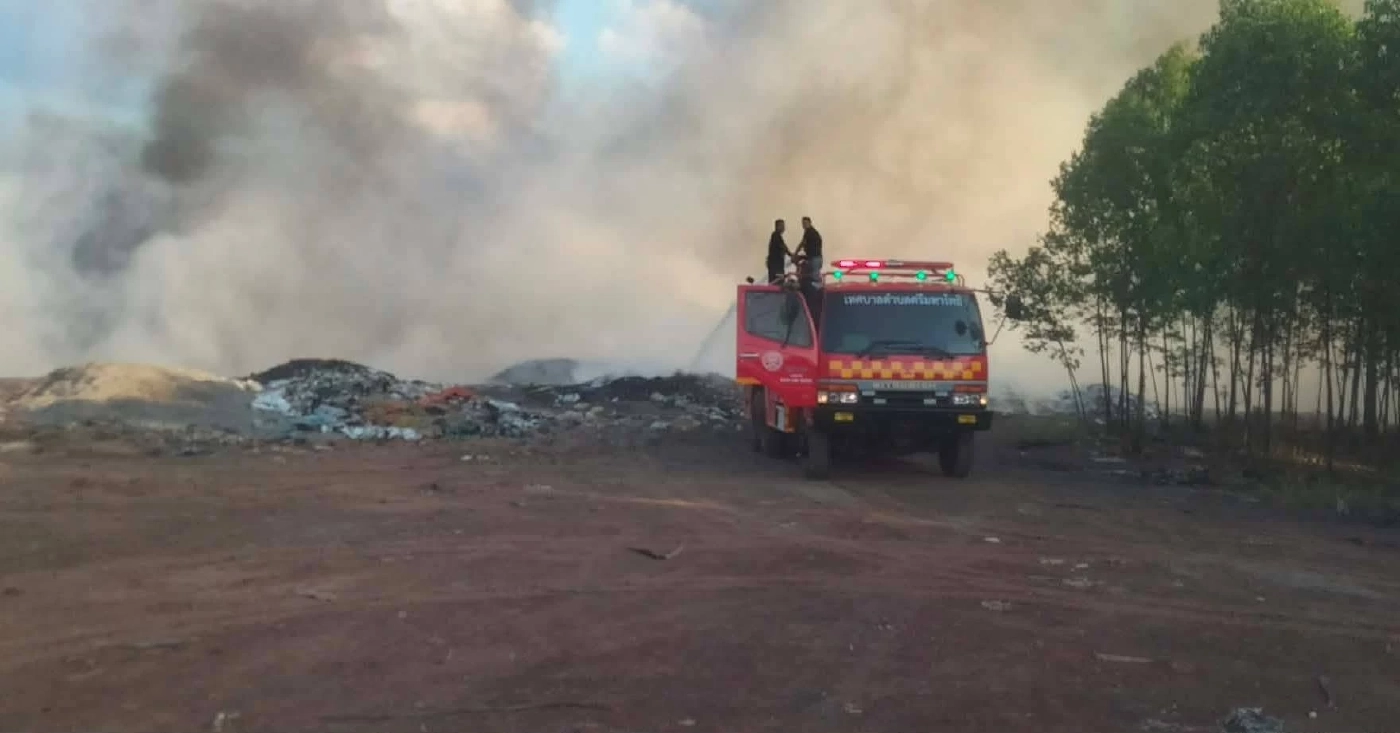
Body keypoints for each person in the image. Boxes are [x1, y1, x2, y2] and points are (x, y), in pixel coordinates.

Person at [795, 216, 823, 285]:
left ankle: (816, 291)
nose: (804, 225)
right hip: (814, 258)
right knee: (810, 276)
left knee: (814, 278)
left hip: (815, 258)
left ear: (810, 223)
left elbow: (802, 243)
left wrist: (795, 253)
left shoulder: (809, 231)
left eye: (805, 223)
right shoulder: (812, 232)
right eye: (803, 223)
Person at [766, 218, 791, 284]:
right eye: (782, 226)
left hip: (776, 265)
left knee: (777, 282)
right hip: (776, 266)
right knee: (778, 283)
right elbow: (783, 246)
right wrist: (791, 255)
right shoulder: (775, 235)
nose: (784, 228)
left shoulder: (776, 236)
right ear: (777, 226)